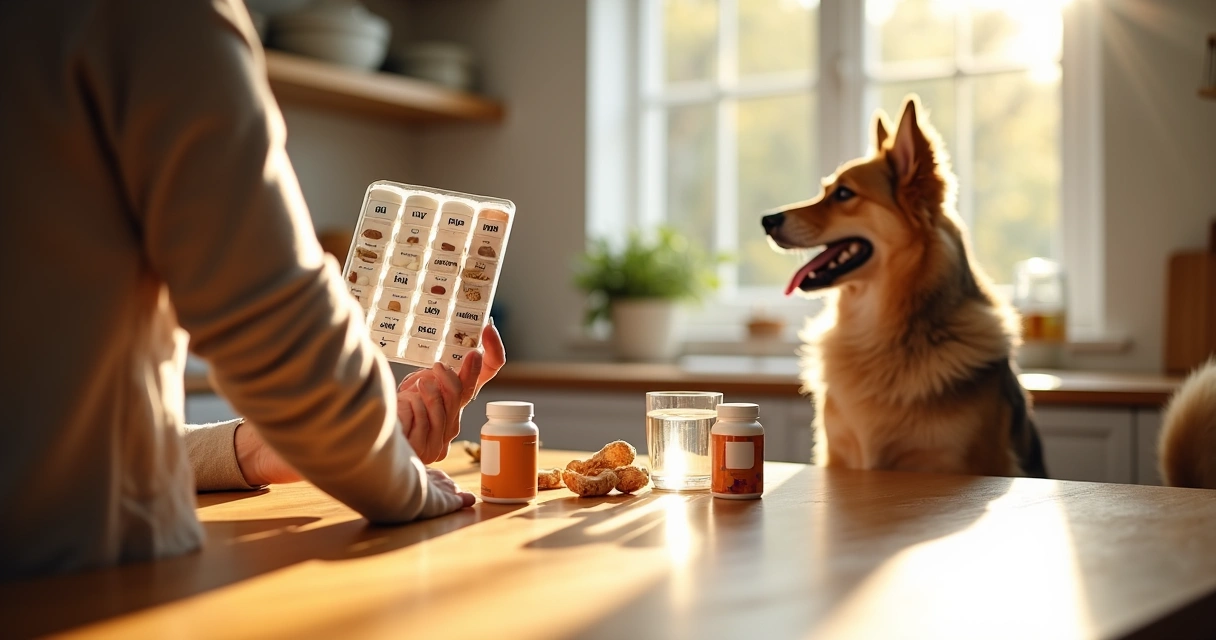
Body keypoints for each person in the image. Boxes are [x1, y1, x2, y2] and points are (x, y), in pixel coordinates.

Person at [0, 0, 500, 578]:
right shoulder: (158, 16)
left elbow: (59, 441)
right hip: (69, 587)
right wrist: (396, 479)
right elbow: (272, 319)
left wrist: (260, 448)